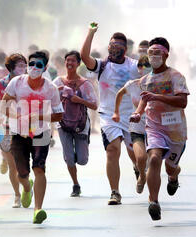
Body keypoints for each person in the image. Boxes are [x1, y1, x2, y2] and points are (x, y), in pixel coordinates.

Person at [1, 51, 64, 224]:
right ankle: (26, 187)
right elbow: (4, 103)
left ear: (44, 68)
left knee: (39, 169)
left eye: (39, 65)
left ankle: (38, 210)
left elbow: (59, 115)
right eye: (31, 64)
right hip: (19, 133)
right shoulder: (17, 82)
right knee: (21, 173)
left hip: (41, 133)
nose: (34, 68)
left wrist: (39, 117)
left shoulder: (50, 88)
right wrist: (16, 116)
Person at [130, 37, 189, 221]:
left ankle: (174, 176)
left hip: (176, 131)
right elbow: (144, 99)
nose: (154, 56)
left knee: (170, 169)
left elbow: (183, 101)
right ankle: (153, 202)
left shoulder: (176, 76)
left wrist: (158, 97)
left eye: (158, 53)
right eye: (151, 53)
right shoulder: (145, 80)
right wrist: (138, 113)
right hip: (155, 127)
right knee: (154, 158)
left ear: (166, 55)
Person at [81, 23, 140, 205]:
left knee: (135, 155)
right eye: (111, 46)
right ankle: (115, 192)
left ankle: (138, 167)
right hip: (108, 115)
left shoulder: (134, 66)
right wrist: (91, 32)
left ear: (125, 49)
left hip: (131, 116)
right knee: (112, 151)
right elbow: (84, 56)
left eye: (118, 47)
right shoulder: (102, 65)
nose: (113, 50)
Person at [53, 50, 98, 197]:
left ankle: (80, 150)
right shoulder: (58, 82)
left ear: (78, 63)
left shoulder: (85, 84)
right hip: (63, 125)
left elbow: (94, 105)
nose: (70, 63)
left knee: (82, 160)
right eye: (68, 60)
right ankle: (75, 184)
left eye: (73, 60)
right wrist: (57, 93)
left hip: (81, 124)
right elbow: (47, 99)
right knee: (69, 157)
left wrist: (79, 100)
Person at [112, 55, 152, 194]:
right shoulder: (132, 84)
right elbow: (119, 94)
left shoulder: (161, 84)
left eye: (148, 65)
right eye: (142, 66)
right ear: (139, 69)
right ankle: (141, 175)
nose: (145, 68)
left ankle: (172, 176)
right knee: (140, 158)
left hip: (157, 126)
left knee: (157, 161)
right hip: (137, 124)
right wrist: (116, 112)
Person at [0, 53, 27, 208]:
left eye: (24, 65)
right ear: (10, 67)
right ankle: (17, 195)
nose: (23, 68)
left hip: (26, 127)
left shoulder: (31, 83)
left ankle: (26, 184)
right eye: (19, 65)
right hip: (4, 128)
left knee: (23, 164)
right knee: (12, 165)